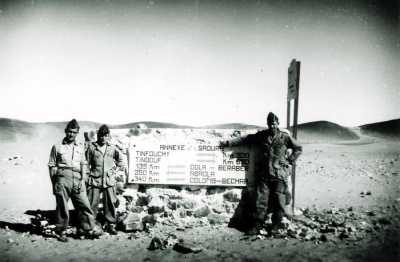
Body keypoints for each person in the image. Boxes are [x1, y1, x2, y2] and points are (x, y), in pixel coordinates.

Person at [220, 112, 302, 235]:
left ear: (278, 124)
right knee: (260, 200)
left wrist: (290, 160)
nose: (272, 126)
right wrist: (228, 143)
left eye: (274, 123)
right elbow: (246, 139)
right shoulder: (262, 136)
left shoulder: (284, 137)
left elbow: (298, 148)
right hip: (264, 175)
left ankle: (276, 225)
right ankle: (257, 225)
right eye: (270, 124)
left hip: (279, 174)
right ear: (267, 124)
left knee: (279, 200)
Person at [48, 119, 102, 242]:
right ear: (65, 131)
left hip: (77, 178)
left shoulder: (80, 147)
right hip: (62, 178)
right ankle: (60, 231)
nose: (71, 134)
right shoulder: (57, 146)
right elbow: (51, 166)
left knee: (84, 205)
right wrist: (54, 184)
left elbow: (83, 164)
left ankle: (88, 228)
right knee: (62, 207)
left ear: (77, 133)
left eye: (74, 132)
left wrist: (83, 180)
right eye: (69, 132)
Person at [86, 124, 125, 235]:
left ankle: (110, 224)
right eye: (101, 135)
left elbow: (121, 160)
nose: (103, 138)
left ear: (109, 136)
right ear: (98, 136)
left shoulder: (112, 148)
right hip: (95, 180)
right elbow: (86, 163)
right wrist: (88, 175)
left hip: (108, 180)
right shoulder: (92, 148)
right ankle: (90, 224)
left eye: (105, 135)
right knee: (92, 203)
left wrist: (114, 171)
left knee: (110, 203)